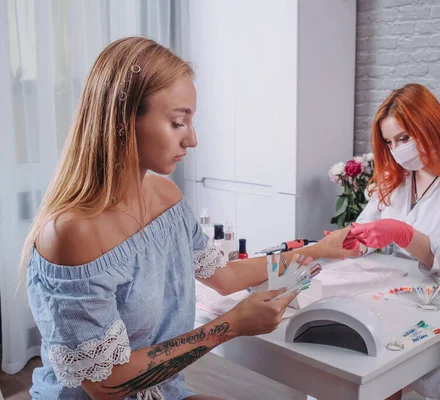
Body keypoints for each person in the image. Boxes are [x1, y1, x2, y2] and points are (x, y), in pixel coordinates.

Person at [22, 37, 357, 400]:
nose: (192, 139)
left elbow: (226, 277)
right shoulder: (72, 233)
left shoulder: (166, 197)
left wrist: (321, 249)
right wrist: (229, 326)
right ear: (123, 120)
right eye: (178, 122)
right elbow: (107, 385)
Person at [345, 83, 440, 398]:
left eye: (403, 138)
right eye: (389, 142)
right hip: (394, 288)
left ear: (431, 126)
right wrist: (348, 240)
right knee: (351, 347)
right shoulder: (397, 177)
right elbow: (363, 230)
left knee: (380, 362)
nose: (397, 150)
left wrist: (402, 232)